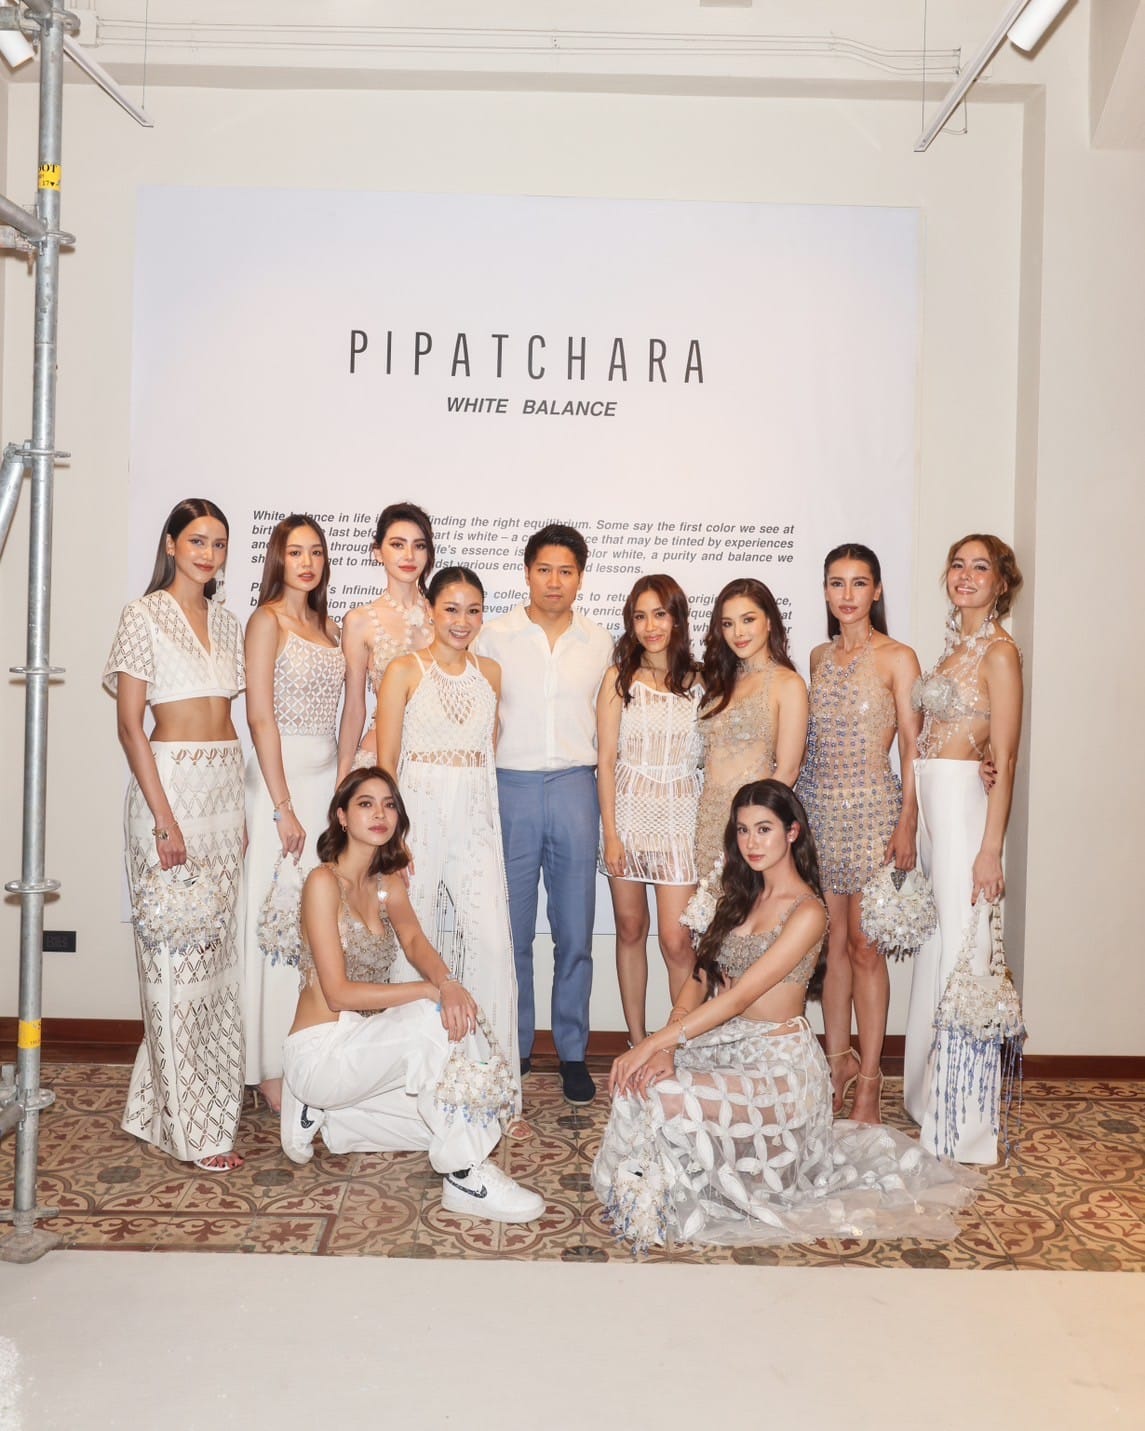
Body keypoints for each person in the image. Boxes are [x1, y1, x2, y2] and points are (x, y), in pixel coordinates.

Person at [593, 780, 980, 1249]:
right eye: (742, 830)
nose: (751, 842)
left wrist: (653, 1043)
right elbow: (700, 974)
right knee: (640, 1084)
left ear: (792, 832)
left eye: (764, 829)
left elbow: (738, 998)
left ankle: (672, 1193)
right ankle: (653, 1191)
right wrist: (665, 1046)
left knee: (662, 1090)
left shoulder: (808, 911)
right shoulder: (737, 894)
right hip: (726, 1046)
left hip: (780, 1068)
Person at [278, 767, 545, 1224]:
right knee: (428, 1018)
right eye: (365, 804)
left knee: (454, 1117)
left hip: (363, 1056)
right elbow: (338, 994)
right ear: (341, 816)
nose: (379, 814)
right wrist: (429, 991)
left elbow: (417, 942)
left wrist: (449, 983)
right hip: (321, 1054)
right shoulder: (322, 883)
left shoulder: (387, 885)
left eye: (389, 805)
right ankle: (464, 1178)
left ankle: (332, 1118)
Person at [104, 498, 246, 1172]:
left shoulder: (229, 620)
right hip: (170, 790)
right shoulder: (143, 615)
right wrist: (164, 817)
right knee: (170, 963)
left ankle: (150, 1106)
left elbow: (230, 721)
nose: (208, 554)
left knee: (212, 966)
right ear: (170, 543)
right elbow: (130, 726)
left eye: (218, 543)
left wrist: (241, 809)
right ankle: (192, 1131)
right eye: (196, 540)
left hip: (223, 790)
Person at [376, 565, 525, 1133]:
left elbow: (486, 754)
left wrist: (480, 824)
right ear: (431, 611)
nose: (462, 621)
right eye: (451, 609)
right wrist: (395, 840)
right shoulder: (403, 670)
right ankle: (408, 1093)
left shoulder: (492, 672)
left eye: (473, 610)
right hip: (416, 825)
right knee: (412, 946)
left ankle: (495, 1092)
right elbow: (386, 767)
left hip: (475, 826)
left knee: (490, 947)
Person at [475, 523, 613, 1105]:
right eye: (544, 570)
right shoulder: (493, 637)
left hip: (576, 785)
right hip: (511, 785)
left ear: (580, 578)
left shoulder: (600, 642)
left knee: (575, 929)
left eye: (566, 571)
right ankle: (517, 1042)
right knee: (512, 929)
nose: (554, 581)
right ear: (527, 573)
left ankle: (573, 1052)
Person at [904, 534, 1024, 1166]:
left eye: (981, 567)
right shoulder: (954, 649)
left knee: (964, 951)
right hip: (934, 808)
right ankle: (930, 1100)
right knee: (937, 949)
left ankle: (965, 1123)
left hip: (962, 814)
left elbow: (1005, 756)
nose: (966, 575)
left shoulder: (1000, 653)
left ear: (1001, 582)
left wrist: (990, 848)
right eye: (958, 565)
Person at [795, 544, 921, 1125]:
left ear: (877, 590)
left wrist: (907, 821)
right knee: (832, 945)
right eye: (836, 583)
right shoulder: (818, 657)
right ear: (825, 590)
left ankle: (870, 1080)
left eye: (859, 583)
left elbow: (912, 750)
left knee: (867, 948)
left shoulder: (898, 657)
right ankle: (836, 1063)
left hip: (873, 812)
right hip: (819, 812)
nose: (847, 595)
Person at [241, 515, 344, 1114]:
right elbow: (259, 717)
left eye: (317, 553)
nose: (307, 563)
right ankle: (268, 1068)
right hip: (277, 789)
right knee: (275, 923)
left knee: (315, 927)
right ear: (278, 559)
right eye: (296, 552)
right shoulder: (267, 621)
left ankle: (310, 1054)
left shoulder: (329, 627)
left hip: (323, 785)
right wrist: (282, 807)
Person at [596, 575, 702, 1045]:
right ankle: (638, 1041)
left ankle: (678, 1043)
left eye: (659, 614)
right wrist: (611, 834)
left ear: (677, 617)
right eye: (640, 616)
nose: (650, 626)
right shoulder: (619, 679)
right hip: (627, 816)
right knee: (629, 927)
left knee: (677, 941)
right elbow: (605, 760)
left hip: (681, 817)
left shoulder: (703, 681)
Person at [694, 578, 808, 888]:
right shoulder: (720, 682)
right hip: (708, 823)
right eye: (728, 624)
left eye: (748, 620)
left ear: (769, 622)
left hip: (752, 827)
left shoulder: (788, 684)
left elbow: (788, 770)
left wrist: (749, 827)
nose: (738, 633)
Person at [337, 503, 435, 779]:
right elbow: (354, 707)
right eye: (397, 544)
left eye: (419, 546)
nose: (409, 555)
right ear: (378, 552)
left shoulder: (445, 616)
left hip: (434, 762)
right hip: (378, 760)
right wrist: (343, 776)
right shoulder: (360, 621)